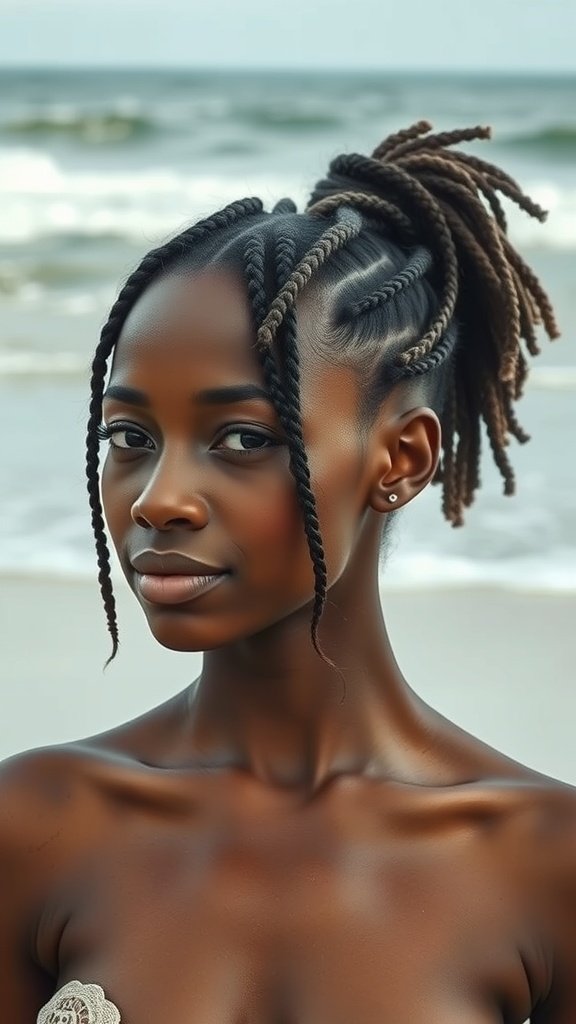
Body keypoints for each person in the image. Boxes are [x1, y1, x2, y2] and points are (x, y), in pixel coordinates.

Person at [0, 120, 572, 1023]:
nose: (158, 499)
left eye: (242, 439)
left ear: (402, 460)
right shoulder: (37, 825)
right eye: (129, 437)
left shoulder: (542, 862)